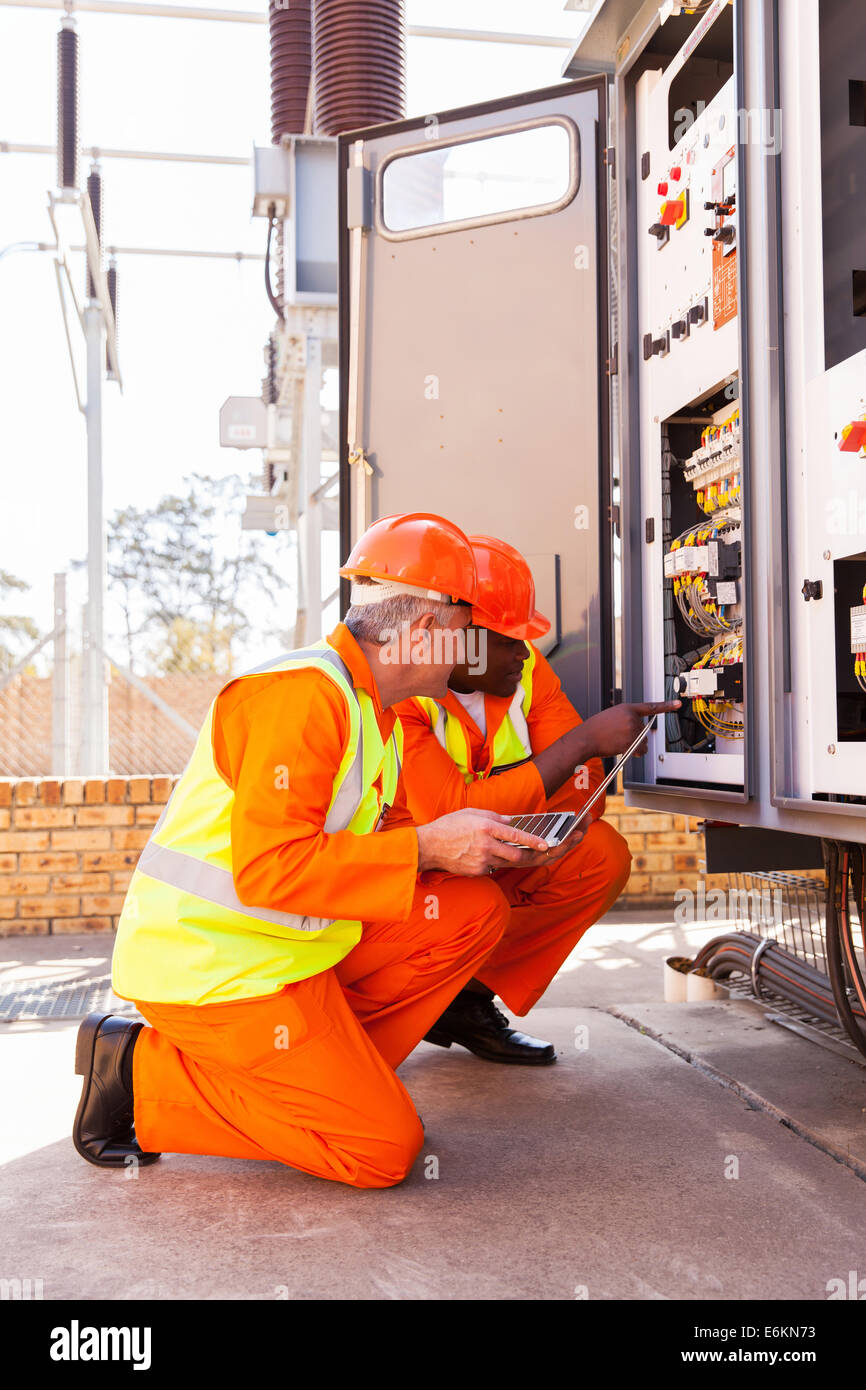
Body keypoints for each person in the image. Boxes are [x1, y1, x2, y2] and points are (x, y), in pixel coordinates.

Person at [395, 534, 677, 1064]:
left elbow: (586, 792)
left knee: (599, 855)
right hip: (404, 880)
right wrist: (580, 743)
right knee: (476, 903)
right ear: (462, 637)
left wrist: (561, 776)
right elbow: (448, 817)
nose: (525, 655)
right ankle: (390, 1004)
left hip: (487, 854)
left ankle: (465, 999)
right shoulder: (403, 693)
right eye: (509, 640)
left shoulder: (525, 674)